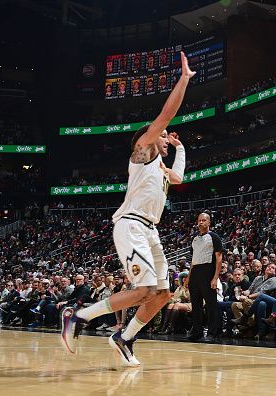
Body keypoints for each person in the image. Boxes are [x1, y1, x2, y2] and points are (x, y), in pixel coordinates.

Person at [60, 51, 196, 367]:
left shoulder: (160, 168)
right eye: (162, 136)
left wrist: (181, 147)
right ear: (146, 140)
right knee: (145, 288)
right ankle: (78, 316)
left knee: (162, 293)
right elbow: (166, 114)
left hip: (150, 230)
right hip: (131, 224)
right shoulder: (143, 152)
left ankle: (125, 338)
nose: (166, 137)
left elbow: (179, 176)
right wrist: (184, 80)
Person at [187, 212, 224, 342]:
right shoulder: (194, 239)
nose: (201, 222)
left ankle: (213, 333)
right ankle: (197, 332)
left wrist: (215, 277)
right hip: (195, 272)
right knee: (196, 305)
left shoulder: (214, 237)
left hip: (208, 270)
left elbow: (219, 258)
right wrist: (189, 278)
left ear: (209, 222)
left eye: (204, 220)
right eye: (199, 220)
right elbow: (193, 260)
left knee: (210, 304)